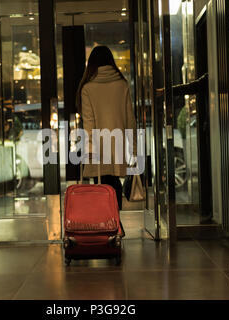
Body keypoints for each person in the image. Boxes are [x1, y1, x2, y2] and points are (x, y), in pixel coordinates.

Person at [76, 46, 137, 234]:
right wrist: (133, 147)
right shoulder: (122, 84)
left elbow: (89, 123)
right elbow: (130, 120)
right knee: (113, 183)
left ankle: (109, 224)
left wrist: (90, 150)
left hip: (98, 147)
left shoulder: (87, 88)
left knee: (101, 185)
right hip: (117, 145)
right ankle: (115, 222)